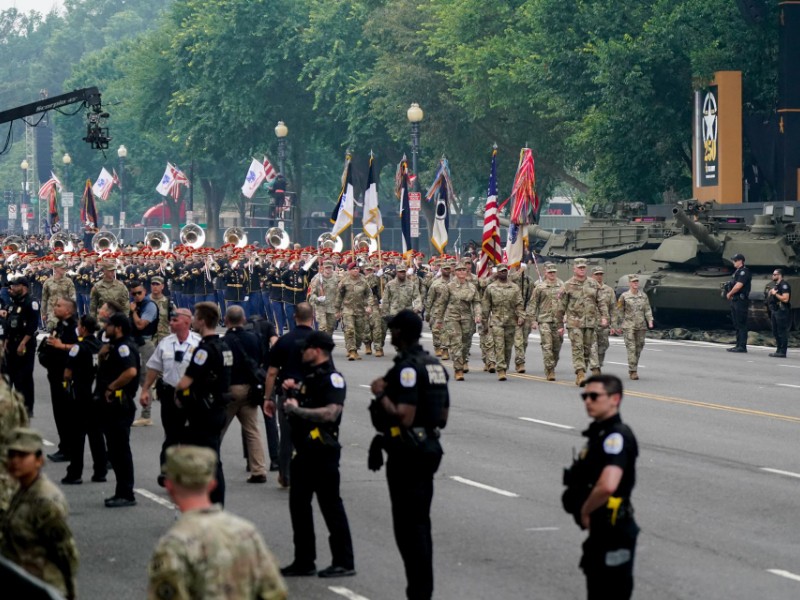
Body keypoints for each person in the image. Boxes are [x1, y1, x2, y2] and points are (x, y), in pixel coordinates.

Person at [369, 310, 449, 600]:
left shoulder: (407, 368)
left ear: (402, 333)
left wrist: (381, 394)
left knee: (407, 527)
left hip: (407, 452)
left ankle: (418, 591)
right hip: (428, 447)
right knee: (420, 522)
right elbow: (442, 416)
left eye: (394, 330)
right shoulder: (435, 365)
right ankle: (421, 589)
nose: (390, 334)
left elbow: (404, 416)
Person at [147, 445, 288, 600]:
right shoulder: (247, 532)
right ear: (212, 484)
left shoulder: (173, 545)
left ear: (169, 486)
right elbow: (275, 592)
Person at [278, 330, 355, 578]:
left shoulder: (333, 379)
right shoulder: (310, 377)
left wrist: (296, 410)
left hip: (322, 451)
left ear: (318, 351)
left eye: (306, 348)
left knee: (331, 506)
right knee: (298, 506)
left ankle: (343, 561)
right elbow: (308, 400)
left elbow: (330, 413)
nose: (302, 352)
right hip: (303, 452)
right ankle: (304, 560)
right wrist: (294, 390)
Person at [562, 374, 639, 600]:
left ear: (614, 399)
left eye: (594, 396)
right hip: (602, 528)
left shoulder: (616, 436)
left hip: (614, 528)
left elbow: (608, 485)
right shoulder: (600, 432)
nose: (588, 401)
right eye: (585, 396)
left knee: (610, 591)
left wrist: (586, 509)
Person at [1, 427, 79, 599]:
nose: (15, 461)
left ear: (39, 460)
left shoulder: (46, 501)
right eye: (12, 455)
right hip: (21, 581)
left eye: (22, 456)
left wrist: (68, 593)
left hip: (43, 586)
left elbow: (65, 553)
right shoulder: (20, 490)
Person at [176, 302, 232, 506]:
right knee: (214, 458)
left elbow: (186, 381)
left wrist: (177, 392)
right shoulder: (224, 346)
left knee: (202, 460)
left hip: (204, 411)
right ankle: (217, 503)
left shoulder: (205, 350)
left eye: (196, 317)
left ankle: (207, 503)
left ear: (202, 320)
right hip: (218, 408)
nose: (193, 321)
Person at [139, 308, 201, 487]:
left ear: (187, 322)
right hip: (168, 394)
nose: (171, 323)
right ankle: (167, 471)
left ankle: (188, 472)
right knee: (172, 435)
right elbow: (154, 368)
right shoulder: (165, 343)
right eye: (171, 320)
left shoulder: (198, 343)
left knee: (190, 437)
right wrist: (145, 390)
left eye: (175, 321)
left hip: (191, 396)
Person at [263, 302, 316, 488]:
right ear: (313, 317)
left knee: (287, 435)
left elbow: (271, 372)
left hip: (287, 393)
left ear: (294, 318)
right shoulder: (319, 341)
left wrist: (267, 398)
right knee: (313, 433)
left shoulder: (284, 341)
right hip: (313, 393)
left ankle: (285, 474)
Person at [96, 313, 140, 508]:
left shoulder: (123, 347)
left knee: (120, 450)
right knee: (114, 450)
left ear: (118, 328)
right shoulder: (114, 346)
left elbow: (130, 372)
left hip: (119, 404)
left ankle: (126, 492)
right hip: (111, 405)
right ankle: (121, 491)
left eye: (109, 325)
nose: (106, 328)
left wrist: (112, 387)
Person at [221, 305, 268, 483]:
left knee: (217, 429)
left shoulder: (225, 341)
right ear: (243, 320)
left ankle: (209, 467)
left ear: (226, 321)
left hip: (231, 387)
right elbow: (261, 359)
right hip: (251, 388)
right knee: (252, 430)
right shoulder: (254, 338)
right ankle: (258, 469)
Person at [62, 315, 107, 485]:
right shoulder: (100, 346)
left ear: (83, 329)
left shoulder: (78, 348)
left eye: (79, 325)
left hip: (80, 394)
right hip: (96, 393)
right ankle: (100, 471)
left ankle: (75, 472)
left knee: (77, 436)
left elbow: (67, 372)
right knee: (96, 434)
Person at [559, 258, 609, 386]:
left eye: (583, 267)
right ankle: (580, 374)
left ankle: (585, 370)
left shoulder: (593, 284)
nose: (582, 269)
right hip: (574, 323)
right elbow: (561, 306)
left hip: (590, 323)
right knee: (577, 348)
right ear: (574, 269)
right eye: (579, 267)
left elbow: (601, 301)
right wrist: (560, 324)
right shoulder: (568, 285)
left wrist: (604, 317)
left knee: (588, 349)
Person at [42, 298, 79, 463]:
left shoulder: (74, 327)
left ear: (68, 311)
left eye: (59, 306)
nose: (55, 308)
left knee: (67, 414)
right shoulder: (60, 325)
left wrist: (60, 347)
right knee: (59, 414)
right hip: (55, 374)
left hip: (66, 377)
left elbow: (81, 347)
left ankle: (69, 448)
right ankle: (64, 446)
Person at [436, 262, 481, 380]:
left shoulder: (471, 287)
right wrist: (439, 320)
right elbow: (442, 303)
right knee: (456, 343)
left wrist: (478, 314)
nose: (462, 272)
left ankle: (463, 360)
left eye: (464, 270)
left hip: (467, 318)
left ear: (467, 272)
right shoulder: (449, 286)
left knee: (466, 343)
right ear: (455, 272)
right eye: (459, 270)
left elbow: (476, 302)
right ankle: (458, 369)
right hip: (452, 317)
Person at [2, 277, 39, 417]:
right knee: (10, 376)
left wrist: (23, 343)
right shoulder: (13, 303)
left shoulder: (31, 302)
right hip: (11, 344)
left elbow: (32, 326)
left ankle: (27, 408)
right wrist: (5, 341)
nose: (11, 288)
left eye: (14, 286)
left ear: (23, 286)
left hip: (25, 344)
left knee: (24, 377)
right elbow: (8, 324)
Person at [481, 264, 524, 381]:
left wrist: (521, 316)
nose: (503, 273)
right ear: (497, 273)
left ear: (507, 272)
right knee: (499, 345)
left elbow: (519, 303)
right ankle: (501, 369)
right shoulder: (491, 288)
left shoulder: (514, 288)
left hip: (511, 321)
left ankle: (505, 366)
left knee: (508, 347)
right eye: (501, 271)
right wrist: (484, 323)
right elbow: (486, 306)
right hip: (496, 322)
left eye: (505, 271)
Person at [129, 280, 159, 427]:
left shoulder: (149, 305)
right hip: (133, 343)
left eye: (139, 293)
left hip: (145, 344)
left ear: (145, 292)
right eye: (134, 293)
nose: (136, 296)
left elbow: (141, 325)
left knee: (145, 379)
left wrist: (133, 312)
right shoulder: (135, 304)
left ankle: (146, 415)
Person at [528, 263, 564, 381]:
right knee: (547, 345)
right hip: (544, 320)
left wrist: (567, 315)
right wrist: (533, 320)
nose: (552, 274)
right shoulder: (540, 287)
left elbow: (567, 302)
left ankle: (552, 364)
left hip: (558, 322)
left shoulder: (562, 285)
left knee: (557, 347)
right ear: (545, 273)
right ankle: (550, 370)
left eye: (554, 272)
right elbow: (533, 304)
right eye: (550, 272)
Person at [614, 275, 653, 380]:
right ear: (629, 283)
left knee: (639, 348)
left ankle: (634, 366)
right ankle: (633, 371)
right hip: (628, 326)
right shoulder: (624, 296)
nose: (635, 283)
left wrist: (650, 320)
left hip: (641, 326)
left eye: (637, 282)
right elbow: (619, 310)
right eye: (633, 282)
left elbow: (647, 309)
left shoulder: (643, 296)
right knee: (631, 348)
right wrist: (619, 324)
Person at [336, 263, 374, 361]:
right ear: (349, 270)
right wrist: (337, 310)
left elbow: (369, 294)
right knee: (350, 330)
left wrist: (369, 306)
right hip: (348, 309)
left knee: (359, 333)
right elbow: (339, 296)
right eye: (353, 269)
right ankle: (352, 351)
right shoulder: (344, 281)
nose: (356, 270)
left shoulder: (363, 282)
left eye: (357, 269)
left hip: (361, 310)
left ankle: (355, 348)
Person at [725, 253, 751, 353]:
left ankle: (742, 346)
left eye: (735, 261)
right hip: (735, 299)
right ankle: (738, 344)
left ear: (741, 261)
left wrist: (730, 293)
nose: (733, 262)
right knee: (736, 324)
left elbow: (739, 285)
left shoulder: (744, 272)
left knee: (741, 323)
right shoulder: (737, 272)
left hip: (741, 300)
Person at [40, 260, 77, 331]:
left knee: (65, 332)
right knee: (52, 330)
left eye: (65, 268)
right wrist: (43, 313)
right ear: (55, 269)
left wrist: (72, 311)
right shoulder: (48, 282)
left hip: (65, 312)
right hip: (52, 312)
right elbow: (44, 298)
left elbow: (73, 296)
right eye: (62, 268)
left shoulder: (68, 281)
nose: (64, 270)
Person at [767, 268, 791, 358]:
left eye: (774, 274)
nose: (772, 276)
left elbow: (785, 299)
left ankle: (783, 351)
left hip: (782, 310)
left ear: (779, 275)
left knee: (781, 331)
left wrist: (775, 294)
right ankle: (778, 349)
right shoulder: (777, 285)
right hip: (775, 309)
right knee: (775, 331)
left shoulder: (784, 285)